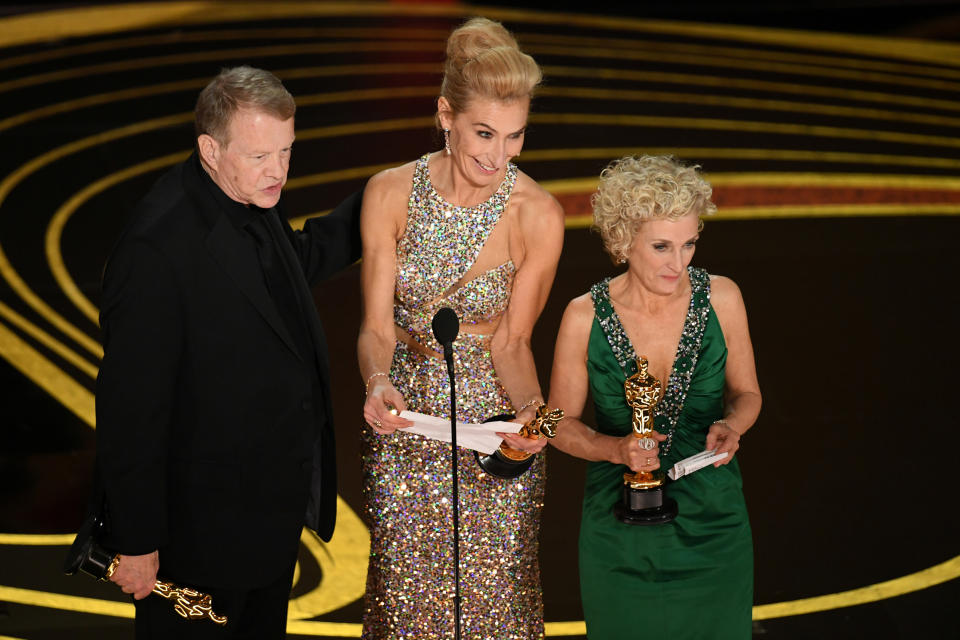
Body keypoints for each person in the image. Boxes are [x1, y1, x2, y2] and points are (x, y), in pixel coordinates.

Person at [95, 66, 362, 637]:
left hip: (263, 529)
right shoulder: (156, 251)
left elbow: (287, 268)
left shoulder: (241, 196)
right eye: (261, 156)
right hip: (196, 544)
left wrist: (380, 201)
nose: (279, 172)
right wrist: (136, 543)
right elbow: (130, 411)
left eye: (287, 151)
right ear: (209, 148)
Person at [356, 17, 565, 639]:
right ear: (445, 114)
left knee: (498, 601)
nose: (498, 156)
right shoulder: (389, 193)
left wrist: (532, 415)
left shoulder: (539, 214)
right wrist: (376, 380)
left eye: (515, 136)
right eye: (483, 133)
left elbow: (515, 341)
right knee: (405, 602)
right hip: (407, 417)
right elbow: (375, 326)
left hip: (493, 431)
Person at [547, 155, 761, 638]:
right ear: (623, 241)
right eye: (662, 246)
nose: (678, 263)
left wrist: (734, 426)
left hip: (715, 522)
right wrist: (613, 449)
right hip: (617, 526)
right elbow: (556, 423)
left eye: (688, 244)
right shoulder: (583, 316)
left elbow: (748, 393)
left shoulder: (723, 297)